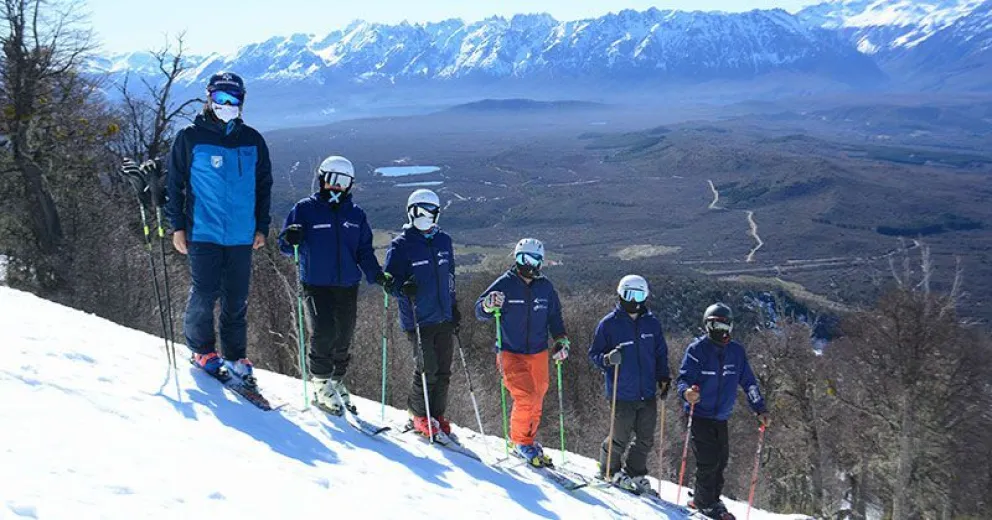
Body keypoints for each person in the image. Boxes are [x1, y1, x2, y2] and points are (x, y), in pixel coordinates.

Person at [166, 71, 272, 384]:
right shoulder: (190, 137)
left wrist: (261, 226)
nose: (227, 104)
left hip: (241, 233)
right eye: (221, 98)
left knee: (236, 298)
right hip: (203, 230)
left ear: (242, 102)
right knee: (204, 292)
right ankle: (201, 349)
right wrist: (177, 226)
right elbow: (175, 183)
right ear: (209, 99)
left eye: (233, 99)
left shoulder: (252, 140)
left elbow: (263, 185)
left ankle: (235, 355)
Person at [278, 155, 391, 415]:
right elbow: (285, 245)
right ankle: (320, 383)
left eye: (344, 181)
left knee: (344, 334)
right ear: (322, 179)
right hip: (316, 283)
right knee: (324, 330)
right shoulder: (305, 209)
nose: (338, 187)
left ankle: (336, 379)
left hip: (347, 284)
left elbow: (363, 250)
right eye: (333, 180)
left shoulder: (356, 215)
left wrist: (377, 275)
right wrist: (291, 237)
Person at [475, 238, 570, 467]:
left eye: (534, 259)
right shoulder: (506, 284)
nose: (528, 265)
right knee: (525, 397)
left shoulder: (545, 287)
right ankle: (519, 442)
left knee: (536, 399)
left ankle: (527, 439)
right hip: (510, 351)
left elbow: (554, 317)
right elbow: (479, 310)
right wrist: (488, 304)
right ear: (516, 259)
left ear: (541, 262)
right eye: (522, 259)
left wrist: (560, 341)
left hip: (538, 352)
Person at [677, 303, 770, 520]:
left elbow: (749, 383)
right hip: (699, 414)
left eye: (727, 326)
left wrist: (760, 408)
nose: (723, 331)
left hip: (721, 416)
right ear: (708, 325)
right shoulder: (697, 349)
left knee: (721, 460)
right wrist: (687, 393)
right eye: (718, 325)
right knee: (707, 460)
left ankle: (710, 498)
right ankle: (704, 503)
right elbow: (684, 379)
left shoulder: (736, 352)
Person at [383, 189, 460, 438]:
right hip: (418, 318)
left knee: (444, 370)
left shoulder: (443, 241)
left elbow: (450, 276)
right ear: (410, 212)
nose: (424, 217)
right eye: (419, 211)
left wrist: (454, 307)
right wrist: (402, 287)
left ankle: (437, 414)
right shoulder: (401, 245)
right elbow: (389, 281)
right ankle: (419, 414)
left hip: (443, 316)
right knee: (427, 368)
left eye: (430, 212)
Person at [588, 274, 671, 494]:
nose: (635, 300)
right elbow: (594, 354)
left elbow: (660, 353)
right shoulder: (609, 324)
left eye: (640, 295)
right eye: (630, 294)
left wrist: (664, 378)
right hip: (621, 391)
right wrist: (607, 359)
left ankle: (635, 472)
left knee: (645, 438)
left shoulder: (651, 324)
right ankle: (609, 469)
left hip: (647, 392)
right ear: (621, 294)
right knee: (620, 436)